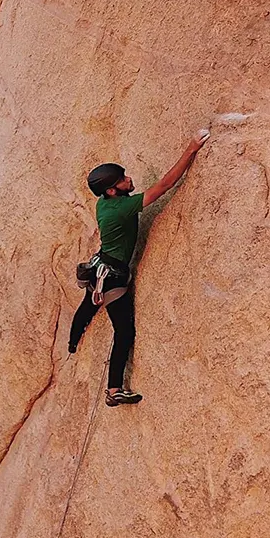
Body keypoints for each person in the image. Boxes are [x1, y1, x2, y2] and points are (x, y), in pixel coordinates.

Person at [69, 128, 210, 406]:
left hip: (102, 267)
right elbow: (165, 186)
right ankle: (113, 391)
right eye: (122, 179)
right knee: (124, 332)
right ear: (112, 190)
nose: (128, 179)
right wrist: (191, 149)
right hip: (112, 278)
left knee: (88, 305)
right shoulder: (123, 208)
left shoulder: (104, 204)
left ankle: (73, 342)